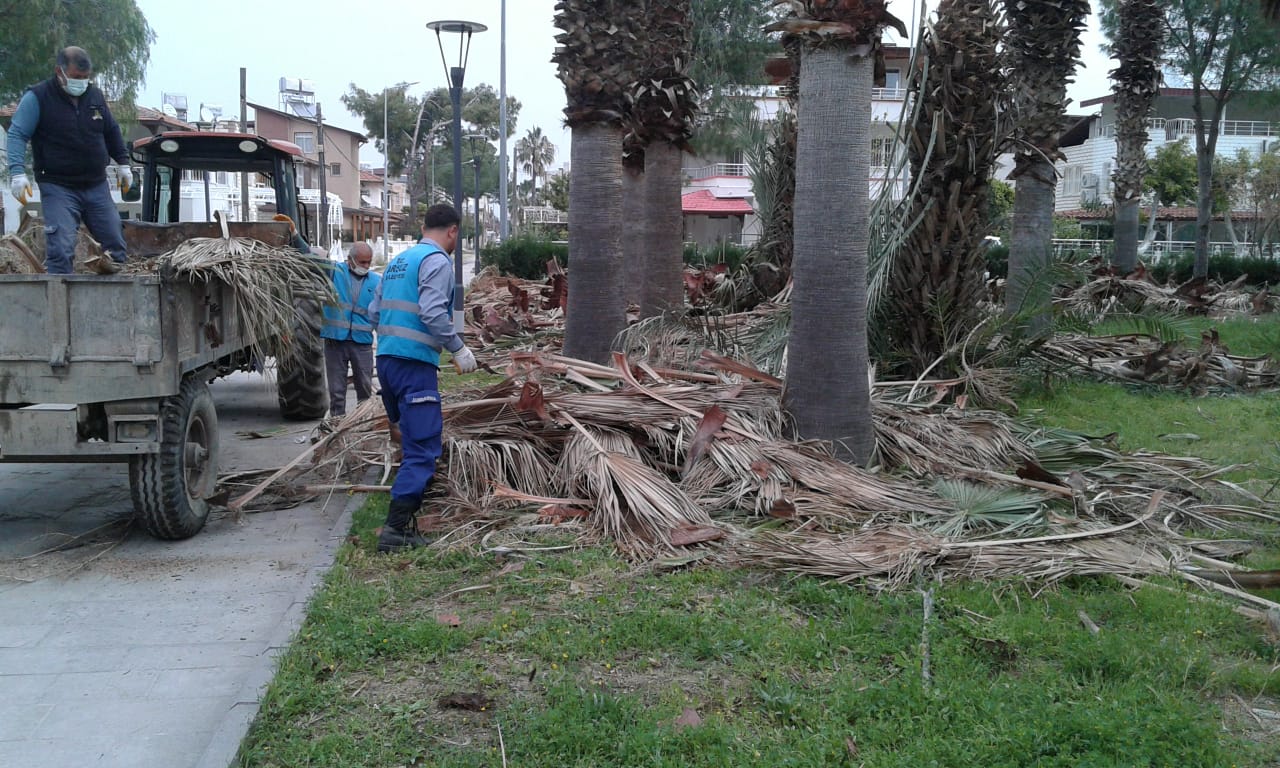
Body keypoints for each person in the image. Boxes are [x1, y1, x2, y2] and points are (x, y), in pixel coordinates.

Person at [369, 204, 478, 553]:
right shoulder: (436, 262)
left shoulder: (398, 262)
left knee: (409, 437)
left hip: (386, 360)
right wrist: (458, 348)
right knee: (423, 446)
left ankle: (405, 514)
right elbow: (432, 311)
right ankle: (395, 530)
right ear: (453, 231)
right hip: (414, 366)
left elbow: (374, 312)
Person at [6, 46, 132, 275]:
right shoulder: (37, 97)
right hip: (58, 186)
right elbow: (17, 134)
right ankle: (59, 305)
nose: (81, 83)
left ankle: (113, 304)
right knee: (61, 248)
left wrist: (123, 163)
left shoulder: (94, 96)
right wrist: (17, 172)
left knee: (115, 244)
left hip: (96, 185)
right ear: (59, 72)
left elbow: (111, 131)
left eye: (86, 78)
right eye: (76, 77)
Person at [321, 242, 380, 419]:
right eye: (362, 262)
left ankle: (363, 423)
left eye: (369, 262)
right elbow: (311, 261)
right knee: (337, 391)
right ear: (350, 261)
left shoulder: (376, 281)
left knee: (364, 389)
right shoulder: (334, 272)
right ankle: (337, 424)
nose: (366, 266)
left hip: (361, 343)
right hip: (335, 342)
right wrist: (294, 235)